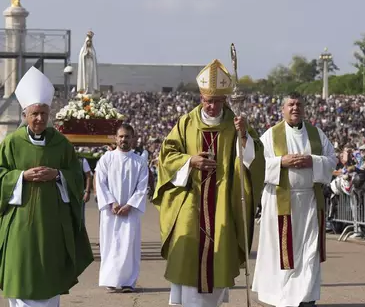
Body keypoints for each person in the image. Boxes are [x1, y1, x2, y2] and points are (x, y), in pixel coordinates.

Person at [152, 59, 265, 307]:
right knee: (187, 254)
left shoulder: (236, 125)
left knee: (218, 258)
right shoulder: (186, 123)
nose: (211, 106)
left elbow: (254, 160)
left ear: (225, 100)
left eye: (216, 101)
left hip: (223, 203)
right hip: (190, 201)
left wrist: (244, 136)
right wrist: (190, 160)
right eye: (206, 100)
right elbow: (167, 155)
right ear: (200, 97)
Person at [0, 67, 93, 307]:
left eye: (43, 113)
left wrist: (58, 174)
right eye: (35, 114)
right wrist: (21, 177)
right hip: (20, 224)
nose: (40, 118)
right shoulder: (11, 143)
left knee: (50, 277)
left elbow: (76, 176)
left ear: (49, 113)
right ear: (25, 114)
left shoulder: (61, 144)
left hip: (53, 224)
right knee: (20, 275)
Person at [252, 92, 337, 307]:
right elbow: (258, 165)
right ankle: (282, 297)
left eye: (299, 104)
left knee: (308, 251)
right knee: (283, 253)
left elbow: (331, 161)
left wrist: (313, 160)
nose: (295, 108)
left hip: (309, 200)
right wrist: (281, 161)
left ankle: (306, 297)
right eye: (290, 104)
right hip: (280, 202)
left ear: (305, 108)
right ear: (282, 109)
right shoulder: (271, 136)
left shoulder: (317, 135)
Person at [95, 123, 149, 292]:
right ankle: (110, 280)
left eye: (127, 136)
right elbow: (101, 182)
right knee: (110, 244)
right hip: (111, 212)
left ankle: (128, 282)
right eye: (121, 136)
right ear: (116, 138)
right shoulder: (106, 158)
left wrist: (130, 205)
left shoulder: (139, 162)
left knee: (128, 245)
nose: (124, 139)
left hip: (130, 212)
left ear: (133, 139)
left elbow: (142, 187)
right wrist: (112, 202)